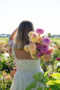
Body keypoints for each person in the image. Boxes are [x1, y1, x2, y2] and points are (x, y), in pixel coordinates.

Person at [9, 21, 44, 90]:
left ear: (19, 31)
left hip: (21, 78)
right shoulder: (39, 45)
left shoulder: (14, 46)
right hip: (37, 78)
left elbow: (10, 38)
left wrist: (18, 28)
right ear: (32, 31)